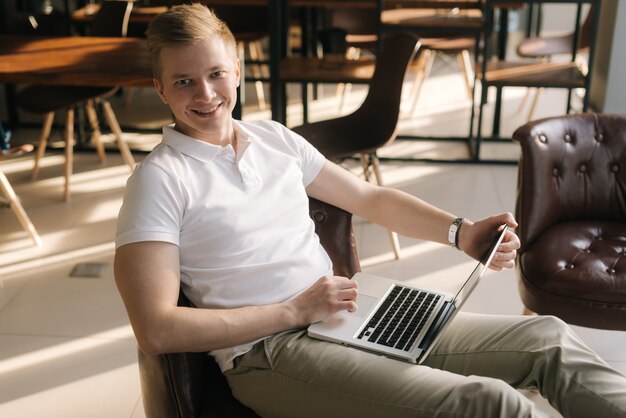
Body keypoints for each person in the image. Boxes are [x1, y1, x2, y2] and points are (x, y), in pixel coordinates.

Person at [114, 4, 626, 417]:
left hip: (351, 310)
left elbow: (369, 198)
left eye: (215, 74)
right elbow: (156, 329)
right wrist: (293, 312)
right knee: (489, 405)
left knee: (548, 339)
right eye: (183, 82)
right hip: (269, 353)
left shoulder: (273, 139)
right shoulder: (159, 180)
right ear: (159, 88)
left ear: (238, 72)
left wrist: (461, 232)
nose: (204, 94)